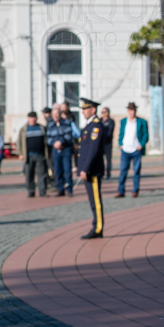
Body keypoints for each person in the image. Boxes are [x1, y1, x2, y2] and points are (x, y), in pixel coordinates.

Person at [77, 98, 106, 239]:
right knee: (92, 200)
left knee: (95, 200)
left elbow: (93, 150)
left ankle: (98, 227)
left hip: (92, 170)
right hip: (88, 169)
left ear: (93, 110)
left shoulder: (96, 126)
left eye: (85, 109)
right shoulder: (89, 126)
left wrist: (85, 168)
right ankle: (96, 225)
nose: (83, 111)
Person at [116, 102, 148, 198]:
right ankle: (121, 190)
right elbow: (121, 133)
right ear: (128, 111)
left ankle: (135, 190)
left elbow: (146, 135)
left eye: (134, 110)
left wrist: (141, 145)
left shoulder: (141, 122)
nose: (132, 112)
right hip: (125, 149)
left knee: (136, 171)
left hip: (136, 149)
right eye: (131, 110)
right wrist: (120, 144)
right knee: (123, 171)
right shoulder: (123, 121)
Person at [46, 107, 77, 196]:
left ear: (60, 114)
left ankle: (69, 189)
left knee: (67, 170)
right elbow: (48, 138)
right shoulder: (50, 125)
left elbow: (69, 135)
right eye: (54, 114)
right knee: (57, 170)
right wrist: (53, 143)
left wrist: (61, 142)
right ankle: (60, 189)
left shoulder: (66, 123)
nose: (56, 115)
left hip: (65, 149)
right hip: (55, 150)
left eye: (57, 113)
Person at [17, 112, 48, 198]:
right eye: (31, 117)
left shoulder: (41, 128)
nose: (33, 119)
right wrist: (20, 153)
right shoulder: (24, 129)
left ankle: (42, 191)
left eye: (34, 117)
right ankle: (31, 191)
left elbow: (46, 141)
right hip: (28, 156)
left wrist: (47, 153)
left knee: (42, 174)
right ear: (28, 118)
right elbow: (19, 142)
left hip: (40, 155)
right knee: (29, 175)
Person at [100, 106, 115, 179]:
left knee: (108, 159)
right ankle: (102, 173)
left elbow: (109, 132)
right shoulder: (99, 120)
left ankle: (108, 174)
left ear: (107, 113)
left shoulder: (110, 121)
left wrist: (102, 135)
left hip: (108, 143)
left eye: (103, 112)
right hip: (101, 143)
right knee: (100, 159)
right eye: (101, 112)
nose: (102, 114)